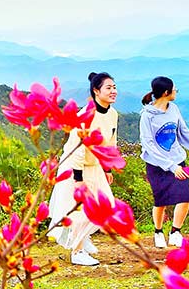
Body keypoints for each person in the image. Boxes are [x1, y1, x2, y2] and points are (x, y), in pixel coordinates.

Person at [47, 72, 119, 267]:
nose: (113, 91)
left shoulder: (112, 114)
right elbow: (77, 149)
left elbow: (110, 144)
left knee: (106, 206)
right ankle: (77, 252)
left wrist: (107, 168)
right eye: (108, 88)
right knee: (81, 211)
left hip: (95, 165)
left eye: (114, 87)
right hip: (76, 167)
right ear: (96, 91)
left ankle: (83, 237)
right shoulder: (85, 116)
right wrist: (78, 180)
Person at [140, 76, 189, 249]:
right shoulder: (147, 116)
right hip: (156, 165)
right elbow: (148, 144)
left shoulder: (174, 109)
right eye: (174, 88)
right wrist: (170, 166)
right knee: (161, 201)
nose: (176, 91)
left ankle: (175, 231)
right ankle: (158, 232)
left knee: (184, 197)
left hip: (178, 159)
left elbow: (183, 133)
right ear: (166, 92)